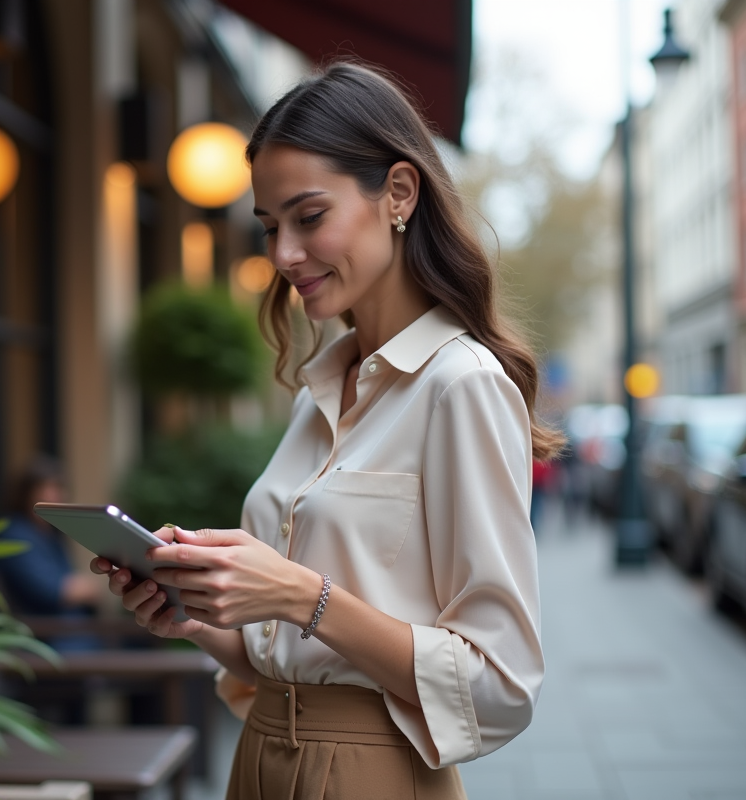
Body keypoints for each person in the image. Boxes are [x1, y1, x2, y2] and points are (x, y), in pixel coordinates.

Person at [92, 61, 561, 800]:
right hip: (259, 762)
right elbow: (274, 655)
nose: (282, 255)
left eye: (309, 218)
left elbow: (499, 683)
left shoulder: (459, 385)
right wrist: (193, 615)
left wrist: (298, 593)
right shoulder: (319, 393)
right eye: (271, 227)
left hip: (371, 774)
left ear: (399, 194)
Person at [0, 456, 102, 651]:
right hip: (46, 642)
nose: (56, 496)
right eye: (48, 489)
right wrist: (83, 589)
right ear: (27, 494)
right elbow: (52, 591)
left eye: (59, 489)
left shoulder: (49, 535)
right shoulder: (15, 535)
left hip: (71, 635)